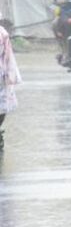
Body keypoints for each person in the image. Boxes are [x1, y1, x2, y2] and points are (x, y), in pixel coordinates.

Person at [0, 17, 21, 151]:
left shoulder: (2, 34)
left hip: (2, 75)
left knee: (2, 105)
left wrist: (10, 76)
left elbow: (8, 58)